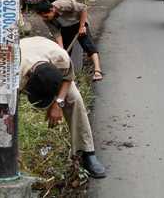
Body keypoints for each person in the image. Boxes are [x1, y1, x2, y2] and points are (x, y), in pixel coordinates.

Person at [20, 36, 106, 178]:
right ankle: (11, 156)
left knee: (74, 99)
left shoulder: (61, 58)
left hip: (48, 56)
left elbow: (68, 78)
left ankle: (86, 152)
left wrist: (58, 103)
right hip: (25, 55)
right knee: (8, 113)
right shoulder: (14, 71)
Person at [33, 0, 104, 82]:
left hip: (79, 23)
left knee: (88, 45)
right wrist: (61, 48)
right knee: (64, 52)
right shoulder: (47, 19)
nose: (45, 19)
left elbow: (83, 8)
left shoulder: (64, 4)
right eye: (42, 17)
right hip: (65, 28)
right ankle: (66, 76)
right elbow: (56, 33)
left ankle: (97, 71)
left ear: (52, 9)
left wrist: (82, 26)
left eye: (46, 16)